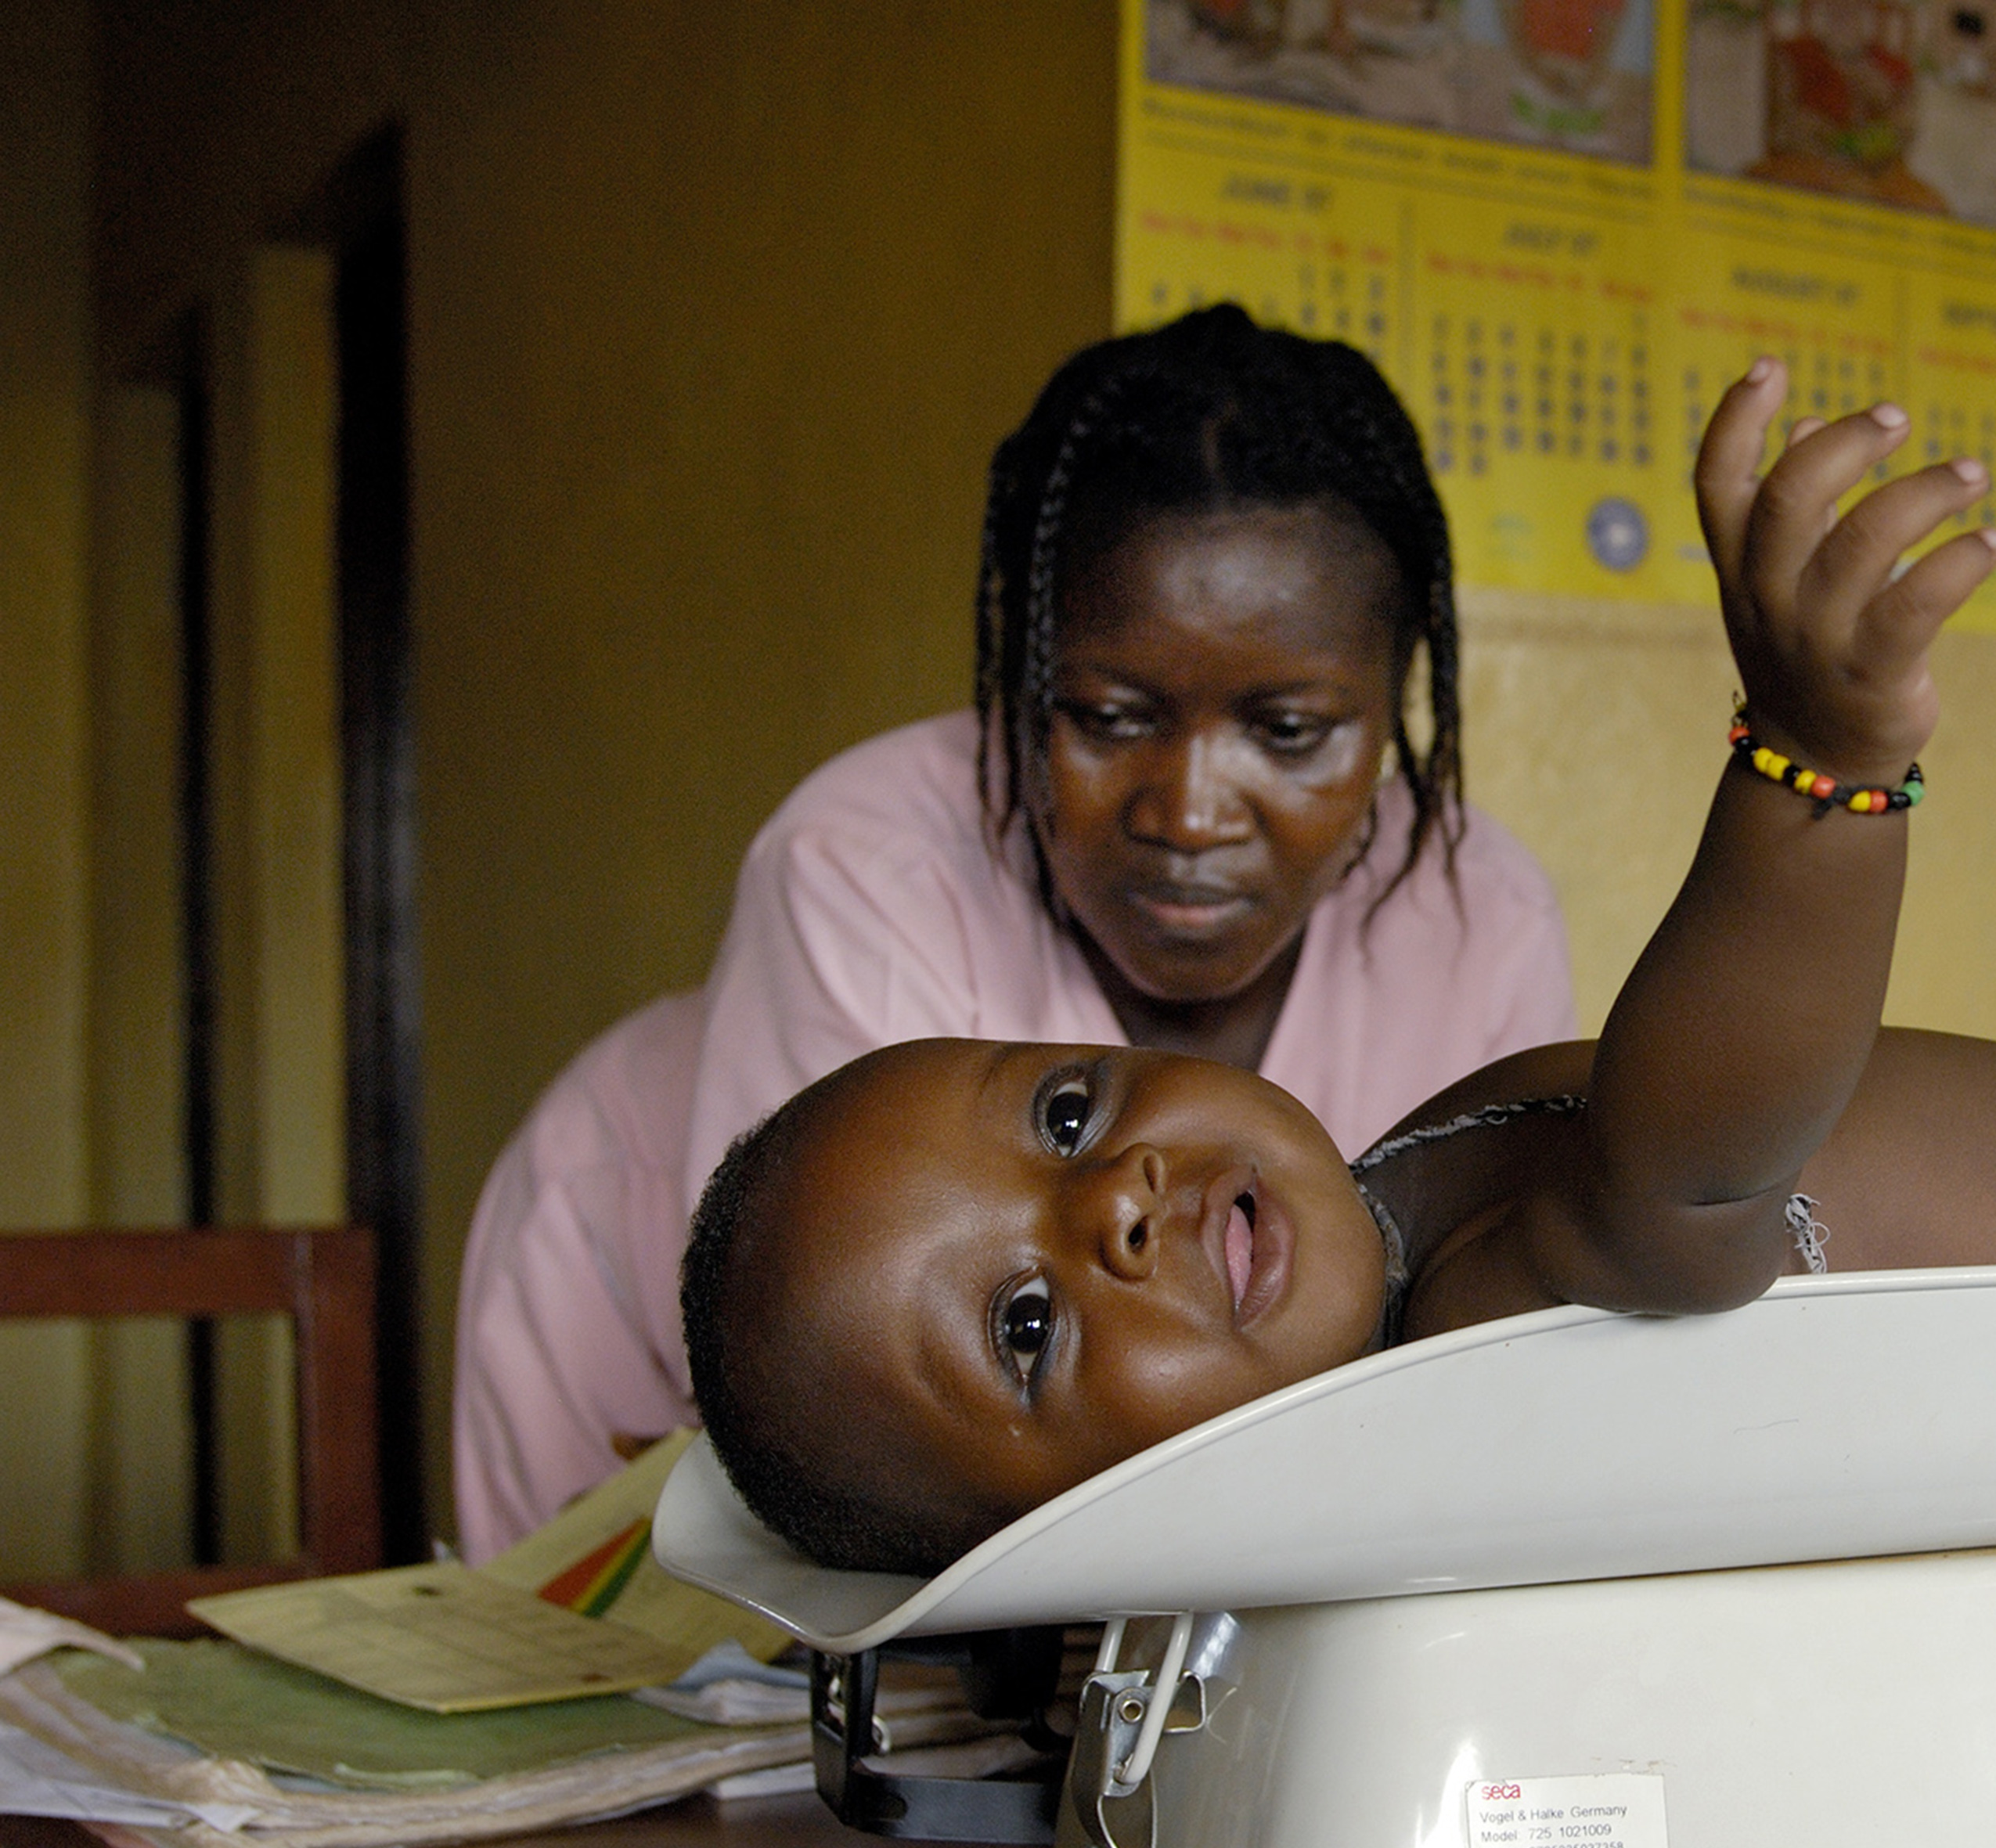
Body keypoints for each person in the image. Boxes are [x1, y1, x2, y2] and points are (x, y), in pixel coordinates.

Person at [679, 358, 1996, 1576]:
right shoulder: (1484, 1350)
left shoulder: (1388, 1185)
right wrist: (1819, 763)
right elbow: (1692, 1157)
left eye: (1059, 1113)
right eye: (1025, 1332)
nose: (1107, 1207)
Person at [451, 308, 1576, 1558]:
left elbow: (1478, 1354)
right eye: (1104, 715)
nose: (1190, 812)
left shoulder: (1480, 909)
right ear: (1022, 673)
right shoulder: (860, 866)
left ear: (1394, 694)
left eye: (1291, 732)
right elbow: (892, 1422)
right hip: (633, 1345)